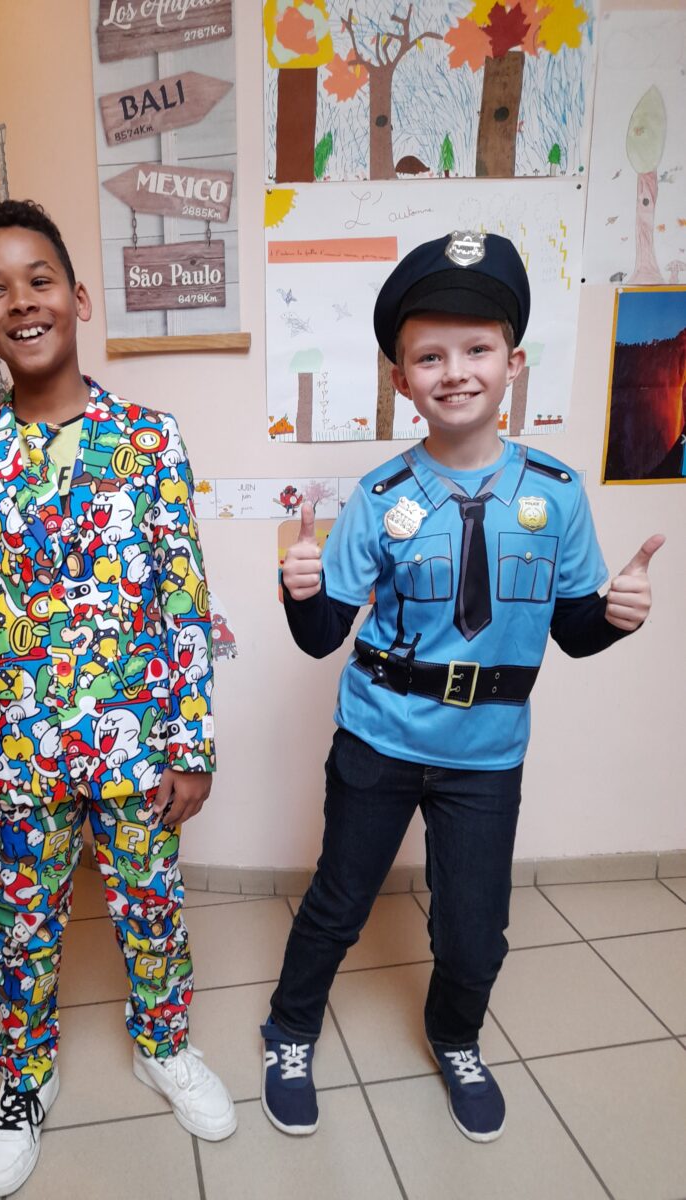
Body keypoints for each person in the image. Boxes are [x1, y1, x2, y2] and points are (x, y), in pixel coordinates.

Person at [261, 230, 664, 1144]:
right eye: (429, 356)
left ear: (512, 363)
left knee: (476, 933)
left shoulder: (556, 493)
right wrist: (302, 592)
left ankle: (456, 1037)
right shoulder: (379, 497)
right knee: (339, 902)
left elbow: (573, 633)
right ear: (400, 379)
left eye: (476, 349)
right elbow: (322, 640)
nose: (455, 372)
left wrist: (619, 615)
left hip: (486, 753)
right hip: (378, 739)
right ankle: (289, 1029)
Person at [0, 199, 235, 1198]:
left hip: (135, 740)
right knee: (23, 925)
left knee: (151, 907)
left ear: (79, 297)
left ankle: (164, 1046)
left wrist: (191, 744)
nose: (22, 301)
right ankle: (25, 1081)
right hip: (21, 751)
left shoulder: (149, 440)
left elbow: (182, 596)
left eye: (40, 280)